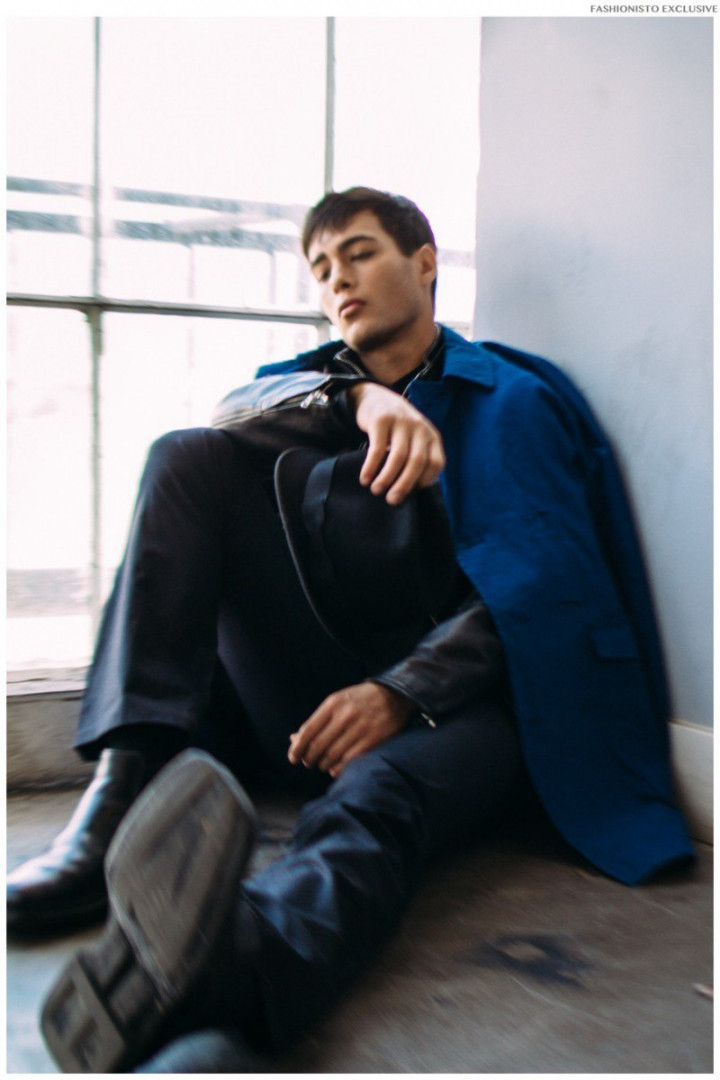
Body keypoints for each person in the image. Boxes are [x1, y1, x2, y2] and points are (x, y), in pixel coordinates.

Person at [8, 187, 693, 1073]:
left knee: (379, 796)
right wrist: (358, 402)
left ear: (425, 263)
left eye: (361, 253)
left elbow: (539, 592)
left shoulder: (508, 401)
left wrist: (400, 693)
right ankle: (118, 792)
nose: (339, 279)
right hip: (309, 695)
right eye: (322, 267)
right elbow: (226, 413)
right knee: (184, 455)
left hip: (466, 706)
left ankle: (240, 970)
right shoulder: (299, 387)